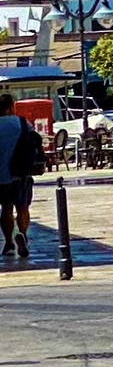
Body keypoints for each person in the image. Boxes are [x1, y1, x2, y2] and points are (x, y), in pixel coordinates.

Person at [0, 90, 39, 258]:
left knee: (6, 208)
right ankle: (22, 233)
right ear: (11, 106)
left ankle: (8, 242)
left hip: (1, 176)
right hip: (22, 174)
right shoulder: (23, 123)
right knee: (23, 207)